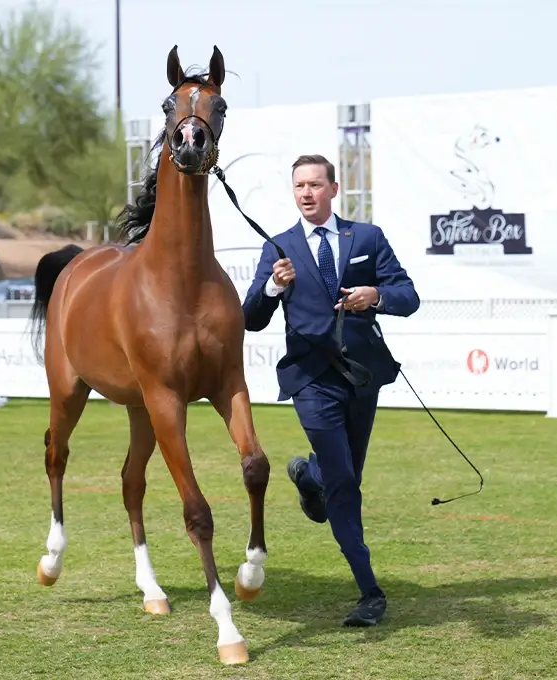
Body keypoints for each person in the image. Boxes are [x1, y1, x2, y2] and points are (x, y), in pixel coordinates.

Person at [241, 154, 420, 628]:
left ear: (333, 190)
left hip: (362, 377)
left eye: (315, 184)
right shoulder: (278, 246)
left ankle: (308, 476)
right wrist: (273, 287)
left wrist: (375, 296)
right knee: (344, 483)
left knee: (344, 471)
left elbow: (409, 296)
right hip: (311, 380)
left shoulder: (367, 238)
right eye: (299, 185)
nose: (306, 192)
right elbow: (250, 317)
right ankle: (370, 592)